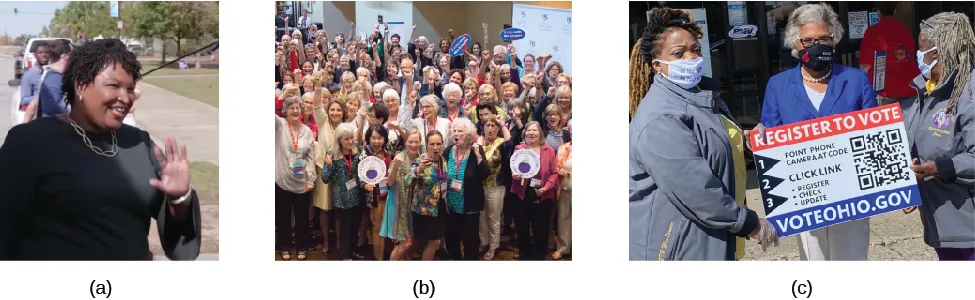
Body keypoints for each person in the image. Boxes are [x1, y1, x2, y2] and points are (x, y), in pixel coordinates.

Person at [0, 39, 201, 260]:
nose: (125, 98)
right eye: (113, 86)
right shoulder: (30, 141)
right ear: (80, 86)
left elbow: (179, 242)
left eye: (131, 88)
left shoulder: (138, 142)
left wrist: (179, 199)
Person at [629, 8, 776, 261]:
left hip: (707, 236)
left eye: (695, 49)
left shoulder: (699, 97)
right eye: (678, 53)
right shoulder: (661, 116)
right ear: (657, 65)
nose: (691, 57)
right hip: (679, 244)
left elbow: (711, 144)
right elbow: (694, 188)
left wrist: (744, 140)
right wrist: (749, 223)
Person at [753, 3, 877, 261]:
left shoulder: (855, 80)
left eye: (823, 38)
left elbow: (873, 135)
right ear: (795, 44)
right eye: (807, 40)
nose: (816, 45)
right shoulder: (778, 85)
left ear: (834, 40)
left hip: (851, 194)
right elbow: (772, 136)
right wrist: (759, 139)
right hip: (806, 195)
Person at [903, 12, 975, 261]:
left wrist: (939, 167)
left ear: (936, 52)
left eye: (920, 47)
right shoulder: (928, 91)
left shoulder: (969, 93)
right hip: (941, 221)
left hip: (968, 222)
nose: (918, 54)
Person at [276, 93, 318, 261]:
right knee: (283, 216)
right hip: (282, 179)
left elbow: (310, 157)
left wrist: (310, 180)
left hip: (301, 181)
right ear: (285, 111)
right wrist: (284, 95)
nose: (295, 110)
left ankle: (302, 246)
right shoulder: (279, 126)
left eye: (297, 108)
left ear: (302, 111)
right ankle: (284, 246)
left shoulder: (307, 131)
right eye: (291, 107)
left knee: (302, 217)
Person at [508, 121, 558, 260]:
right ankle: (524, 253)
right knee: (522, 226)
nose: (531, 133)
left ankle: (539, 254)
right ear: (525, 133)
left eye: (534, 130)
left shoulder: (549, 150)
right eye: (528, 130)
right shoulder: (519, 148)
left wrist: (546, 187)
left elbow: (554, 173)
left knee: (540, 227)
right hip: (521, 193)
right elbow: (514, 167)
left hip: (542, 193)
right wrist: (515, 175)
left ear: (540, 133)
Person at [442, 118, 489, 260]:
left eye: (460, 131)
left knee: (470, 240)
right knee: (451, 238)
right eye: (454, 131)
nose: (456, 134)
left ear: (468, 134)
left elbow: (485, 173)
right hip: (450, 205)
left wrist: (479, 156)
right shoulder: (449, 150)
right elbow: (441, 171)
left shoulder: (476, 150)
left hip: (469, 205)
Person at [858, 1, 919, 110]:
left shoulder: (872, 32)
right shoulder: (905, 30)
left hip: (885, 93)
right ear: (895, 11)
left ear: (878, 12)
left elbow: (865, 66)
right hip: (910, 88)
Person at [322, 123, 365, 260]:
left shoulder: (357, 148)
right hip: (342, 198)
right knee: (345, 227)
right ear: (339, 139)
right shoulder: (332, 152)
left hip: (357, 195)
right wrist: (329, 166)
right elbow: (324, 178)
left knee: (355, 226)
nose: (350, 141)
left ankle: (352, 250)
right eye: (346, 139)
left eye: (352, 138)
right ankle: (345, 255)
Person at [405, 130, 449, 261]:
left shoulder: (443, 161)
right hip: (423, 210)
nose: (436, 147)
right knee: (417, 241)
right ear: (426, 145)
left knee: (434, 242)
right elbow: (407, 182)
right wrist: (418, 170)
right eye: (432, 144)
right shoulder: (420, 161)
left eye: (438, 144)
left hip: (440, 208)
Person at [383, 129, 421, 260]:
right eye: (410, 141)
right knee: (405, 243)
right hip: (399, 205)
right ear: (405, 143)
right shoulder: (398, 159)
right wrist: (395, 166)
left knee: (414, 241)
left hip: (416, 207)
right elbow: (389, 183)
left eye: (416, 141)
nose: (413, 145)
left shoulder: (422, 159)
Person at [476, 114, 510, 260]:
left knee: (493, 218)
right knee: (482, 218)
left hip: (496, 186)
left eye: (493, 126)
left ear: (498, 129)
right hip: (479, 186)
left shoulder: (501, 142)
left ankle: (493, 247)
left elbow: (510, 144)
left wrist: (503, 124)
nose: (490, 128)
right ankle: (484, 243)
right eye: (487, 125)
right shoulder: (479, 142)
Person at [360, 124, 395, 260]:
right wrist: (364, 185)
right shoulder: (364, 154)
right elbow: (360, 176)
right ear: (368, 139)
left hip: (390, 193)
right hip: (375, 196)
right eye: (373, 138)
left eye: (379, 138)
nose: (376, 142)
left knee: (390, 225)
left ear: (385, 139)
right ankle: (378, 258)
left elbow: (406, 139)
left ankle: (389, 255)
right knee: (377, 227)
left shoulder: (389, 150)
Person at [24, 39, 73, 121]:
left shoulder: (48, 73)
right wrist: (76, 109)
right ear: (65, 56)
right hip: (55, 130)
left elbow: (35, 103)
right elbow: (51, 108)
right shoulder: (55, 78)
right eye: (72, 54)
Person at [553, 121, 572, 260]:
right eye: (571, 129)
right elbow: (556, 166)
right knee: (563, 218)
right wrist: (560, 170)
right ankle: (563, 248)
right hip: (565, 188)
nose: (573, 132)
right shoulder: (563, 148)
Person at [20, 41, 50, 108]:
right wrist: (41, 97)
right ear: (35, 55)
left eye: (46, 52)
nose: (44, 55)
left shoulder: (54, 73)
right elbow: (24, 100)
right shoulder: (29, 74)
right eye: (40, 52)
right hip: (38, 114)